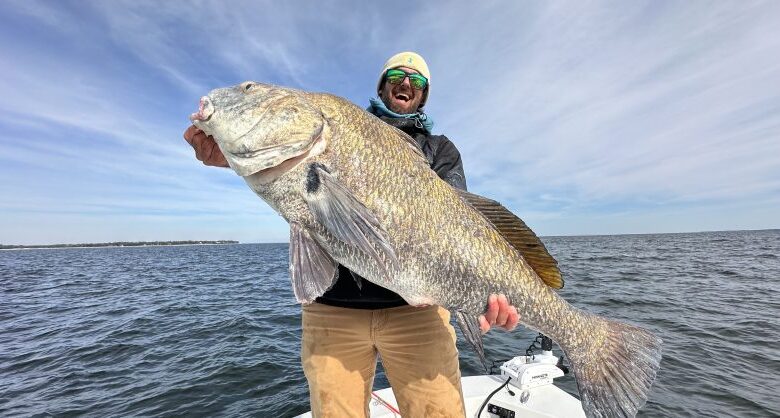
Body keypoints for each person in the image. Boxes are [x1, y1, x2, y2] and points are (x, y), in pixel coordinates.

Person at [184, 52, 519, 417]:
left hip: (416, 315)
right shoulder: (339, 126)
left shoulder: (441, 150)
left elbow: (461, 229)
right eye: (396, 75)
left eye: (417, 81)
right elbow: (291, 187)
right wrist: (232, 155)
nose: (405, 83)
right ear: (381, 84)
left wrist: (488, 293)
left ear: (423, 94)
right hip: (332, 311)